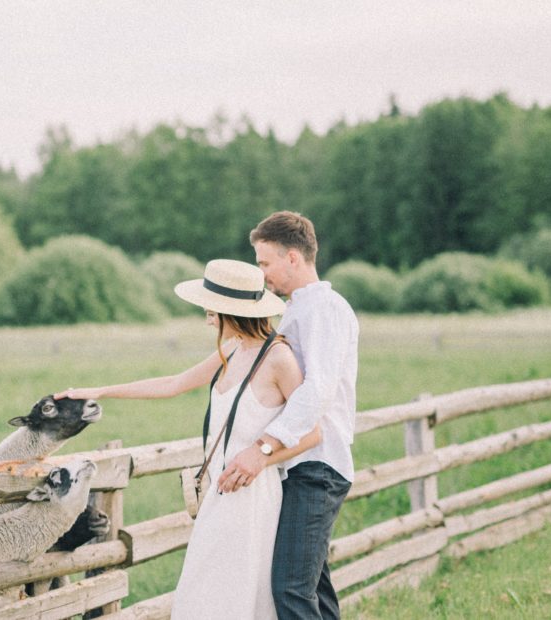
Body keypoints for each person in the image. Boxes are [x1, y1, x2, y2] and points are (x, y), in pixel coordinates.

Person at [55, 258, 320, 619]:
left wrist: (260, 458)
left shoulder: (279, 359)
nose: (208, 317)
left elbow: (312, 432)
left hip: (255, 496)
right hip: (221, 493)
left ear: (234, 310)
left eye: (213, 309)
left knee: (240, 596)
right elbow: (173, 384)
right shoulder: (232, 349)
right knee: (203, 592)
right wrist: (99, 390)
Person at [217, 211, 358, 619]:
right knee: (312, 587)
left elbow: (318, 390)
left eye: (265, 263)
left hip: (318, 465)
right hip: (300, 465)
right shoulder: (298, 308)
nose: (262, 274)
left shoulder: (325, 310)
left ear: (292, 257)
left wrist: (262, 449)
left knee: (291, 590)